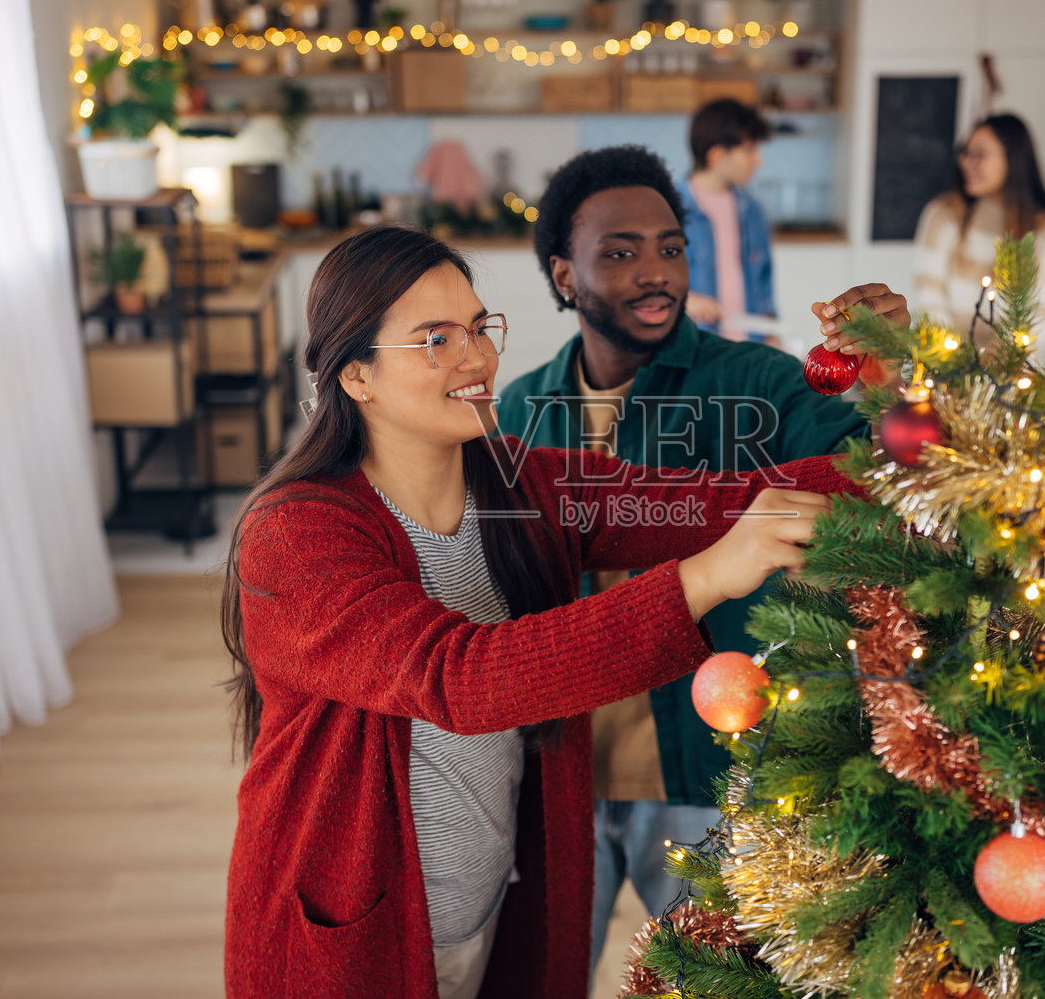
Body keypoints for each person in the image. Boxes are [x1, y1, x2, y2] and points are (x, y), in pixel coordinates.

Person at [219, 224, 860, 999]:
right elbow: (460, 678)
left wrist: (923, 440)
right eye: (435, 339)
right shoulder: (295, 532)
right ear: (356, 375)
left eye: (478, 328)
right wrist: (706, 577)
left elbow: (730, 501)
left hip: (493, 911)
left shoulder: (527, 486)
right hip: (354, 941)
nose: (477, 358)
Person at [494, 145, 911, 973]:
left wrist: (892, 384)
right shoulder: (520, 407)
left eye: (671, 247)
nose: (656, 271)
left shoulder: (762, 385)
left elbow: (880, 479)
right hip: (556, 781)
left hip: (711, 780)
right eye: (620, 252)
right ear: (564, 275)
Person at [913, 113, 1045, 343]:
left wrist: (996, 358)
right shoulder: (942, 214)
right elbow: (928, 292)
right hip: (943, 358)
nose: (966, 162)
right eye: (965, 152)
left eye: (979, 155)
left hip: (1012, 363)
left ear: (1013, 160)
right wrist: (951, 353)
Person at [677, 98, 776, 342]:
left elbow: (764, 281)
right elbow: (650, 283)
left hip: (749, 346)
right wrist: (683, 300)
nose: (758, 160)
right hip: (698, 348)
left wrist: (771, 333)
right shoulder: (669, 209)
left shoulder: (752, 210)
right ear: (718, 156)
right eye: (749, 151)